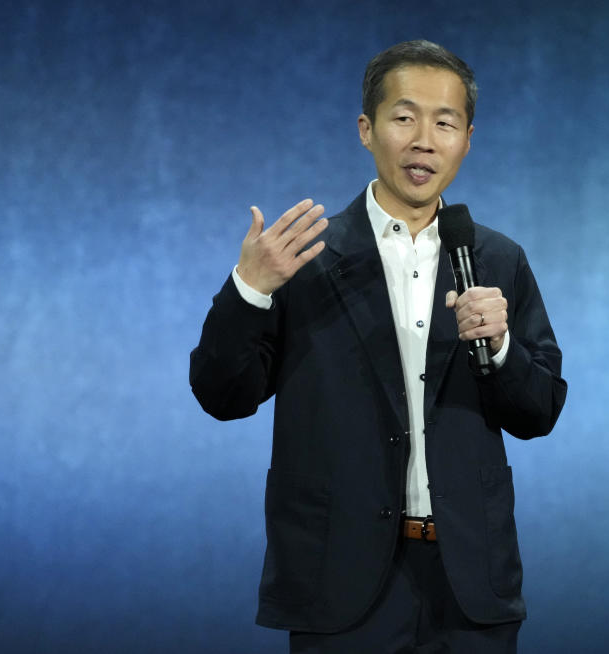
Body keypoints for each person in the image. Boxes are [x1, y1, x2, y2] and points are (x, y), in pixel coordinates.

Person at [189, 39, 566, 653]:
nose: (424, 139)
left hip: (471, 583)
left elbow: (540, 411)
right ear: (367, 129)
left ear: (468, 139)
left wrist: (500, 350)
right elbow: (223, 395)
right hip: (340, 582)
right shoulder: (304, 259)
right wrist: (249, 290)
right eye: (403, 117)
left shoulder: (498, 259)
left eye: (445, 122)